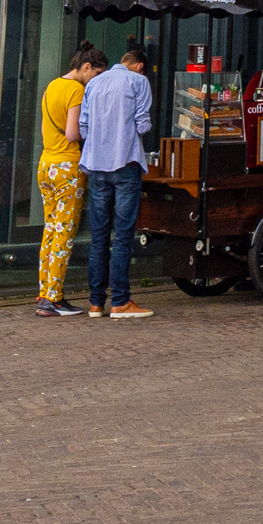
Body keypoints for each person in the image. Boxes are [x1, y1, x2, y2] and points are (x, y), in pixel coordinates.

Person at [73, 42, 157, 318]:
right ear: (140, 66)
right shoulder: (139, 82)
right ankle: (120, 301)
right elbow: (143, 123)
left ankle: (96, 303)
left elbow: (84, 126)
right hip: (125, 161)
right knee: (122, 236)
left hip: (96, 165)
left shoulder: (94, 83)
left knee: (98, 237)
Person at [30, 35, 96, 313]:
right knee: (64, 234)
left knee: (50, 230)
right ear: (87, 67)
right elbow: (72, 133)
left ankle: (45, 291)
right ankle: (53, 298)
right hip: (67, 167)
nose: (94, 81)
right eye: (95, 75)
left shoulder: (52, 85)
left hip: (46, 164)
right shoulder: (77, 90)